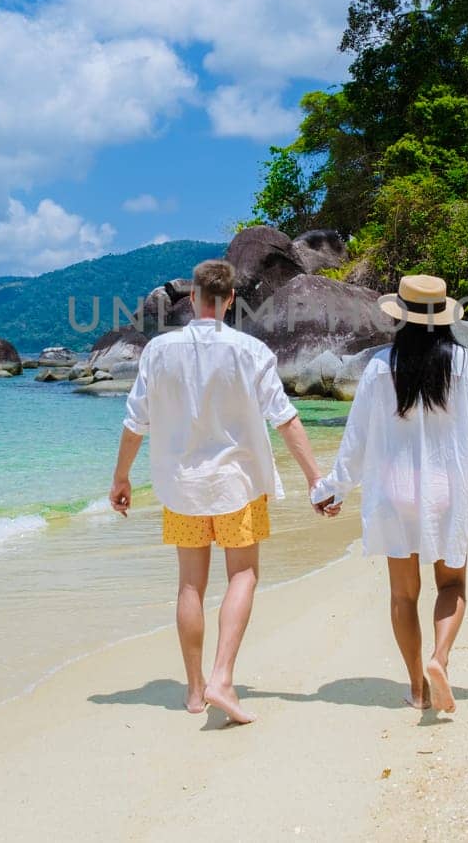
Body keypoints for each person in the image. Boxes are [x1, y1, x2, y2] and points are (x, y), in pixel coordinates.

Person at [109, 259, 323, 725]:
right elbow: (285, 419)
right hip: (238, 485)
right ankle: (222, 676)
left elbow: (134, 423)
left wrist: (120, 478)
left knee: (190, 584)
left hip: (182, 487)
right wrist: (314, 479)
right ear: (229, 300)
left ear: (192, 299)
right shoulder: (250, 350)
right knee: (242, 576)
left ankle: (193, 692)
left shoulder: (159, 351)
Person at [310, 274, 468, 713]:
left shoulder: (379, 366)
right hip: (448, 489)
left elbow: (357, 439)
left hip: (394, 491)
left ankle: (417, 689)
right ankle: (439, 659)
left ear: (400, 317)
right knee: (453, 583)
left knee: (404, 595)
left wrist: (334, 489)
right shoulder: (466, 365)